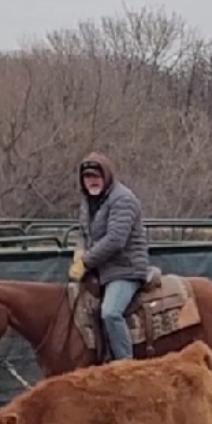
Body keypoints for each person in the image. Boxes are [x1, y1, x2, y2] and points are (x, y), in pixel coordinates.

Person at [67, 151, 151, 362]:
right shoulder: (88, 202)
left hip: (126, 269)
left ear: (106, 176)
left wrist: (85, 261)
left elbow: (115, 240)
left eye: (96, 176)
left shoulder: (123, 199)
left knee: (110, 312)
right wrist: (79, 252)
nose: (92, 181)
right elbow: (83, 233)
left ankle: (125, 363)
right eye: (87, 177)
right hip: (101, 269)